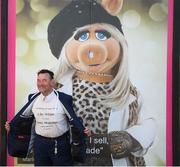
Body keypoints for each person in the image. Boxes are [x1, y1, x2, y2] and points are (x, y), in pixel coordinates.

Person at [5, 69, 90, 166]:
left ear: (52, 82)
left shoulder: (65, 99)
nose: (40, 83)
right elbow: (23, 119)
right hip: (40, 144)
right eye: (38, 80)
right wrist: (12, 126)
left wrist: (84, 130)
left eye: (44, 80)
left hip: (61, 144)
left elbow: (75, 119)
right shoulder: (32, 98)